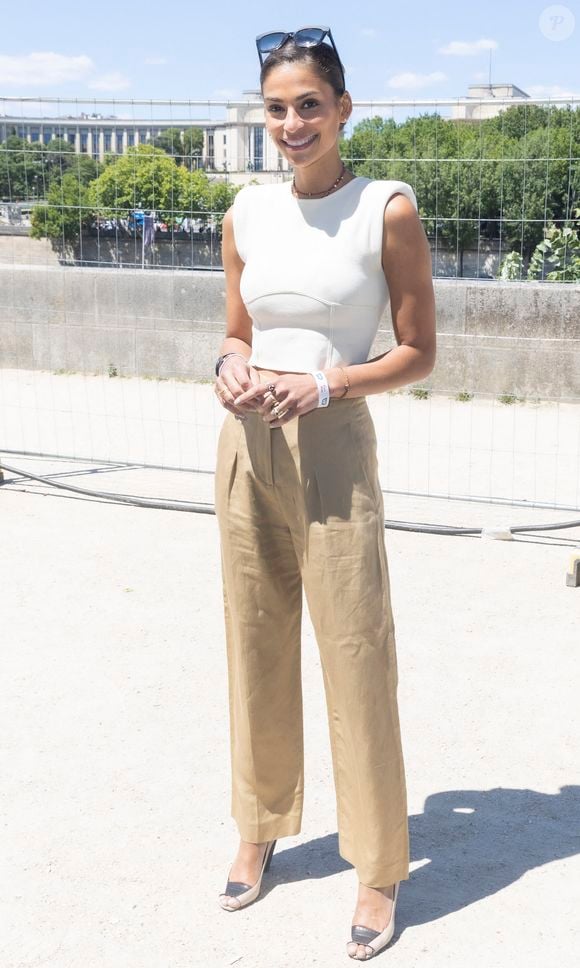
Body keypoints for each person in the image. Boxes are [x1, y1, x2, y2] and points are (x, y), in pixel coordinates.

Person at [213, 25, 436, 961]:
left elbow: (419, 354)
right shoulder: (245, 212)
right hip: (245, 446)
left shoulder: (386, 207)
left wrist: (330, 384)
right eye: (277, 107)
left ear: (344, 110)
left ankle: (380, 867)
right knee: (254, 643)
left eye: (310, 104)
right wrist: (228, 366)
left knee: (354, 653)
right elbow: (234, 328)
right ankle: (259, 825)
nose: (293, 122)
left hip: (334, 446)